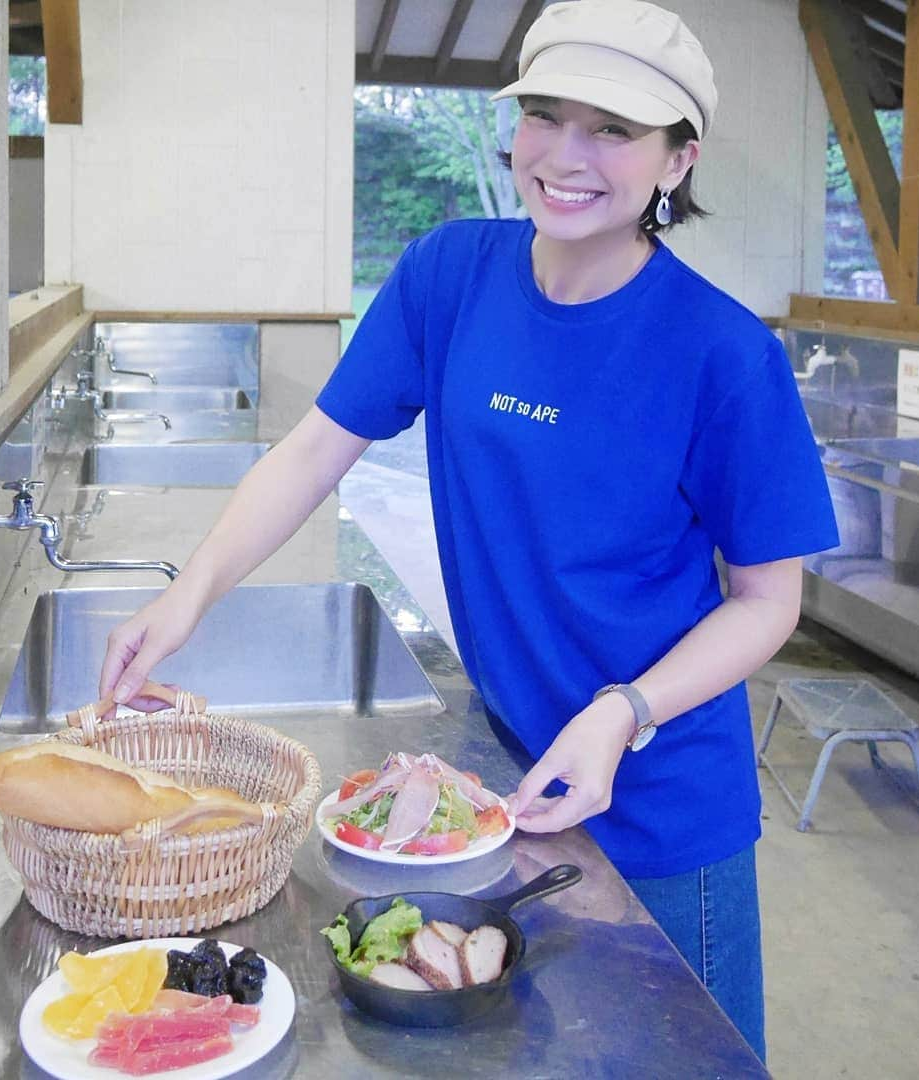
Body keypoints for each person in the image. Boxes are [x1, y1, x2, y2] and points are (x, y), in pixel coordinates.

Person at [100, 0, 838, 1062]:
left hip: (663, 801)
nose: (567, 155)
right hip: (504, 781)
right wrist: (190, 593)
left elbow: (769, 603)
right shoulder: (451, 276)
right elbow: (314, 451)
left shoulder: (723, 354)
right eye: (547, 114)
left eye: (616, 131)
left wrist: (621, 714)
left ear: (680, 161)